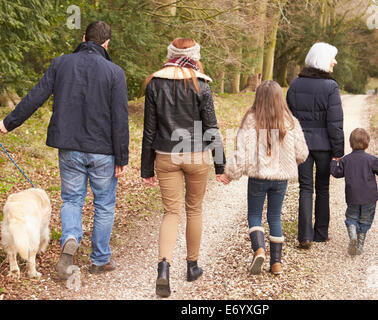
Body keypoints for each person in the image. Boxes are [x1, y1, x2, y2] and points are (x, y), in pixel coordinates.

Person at [0, 21, 129, 278]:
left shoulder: (61, 64)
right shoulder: (115, 72)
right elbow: (120, 117)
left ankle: (70, 237)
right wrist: (122, 156)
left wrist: (7, 124)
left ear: (83, 38)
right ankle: (100, 259)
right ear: (107, 43)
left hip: (69, 148)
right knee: (104, 204)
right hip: (103, 150)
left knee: (72, 200)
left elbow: (36, 96)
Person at [141, 38, 228, 297]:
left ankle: (164, 268)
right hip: (195, 154)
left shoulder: (155, 83)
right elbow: (211, 128)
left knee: (171, 212)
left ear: (170, 54)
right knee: (194, 210)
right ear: (195, 55)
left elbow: (149, 130)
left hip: (166, 155)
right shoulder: (201, 85)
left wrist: (146, 169)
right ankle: (192, 266)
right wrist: (220, 165)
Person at [224, 80, 309, 275]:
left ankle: (259, 249)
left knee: (254, 214)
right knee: (274, 216)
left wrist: (231, 173)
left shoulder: (251, 120)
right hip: (280, 179)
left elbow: (242, 153)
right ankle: (277, 263)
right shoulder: (290, 121)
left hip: (258, 178)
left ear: (258, 98)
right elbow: (302, 152)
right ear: (280, 98)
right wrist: (288, 162)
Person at [286, 42, 344, 249]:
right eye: (332, 58)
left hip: (301, 145)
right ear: (322, 59)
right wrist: (338, 151)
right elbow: (335, 123)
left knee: (305, 188)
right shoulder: (331, 87)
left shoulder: (295, 85)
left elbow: (288, 119)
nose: (335, 62)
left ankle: (305, 236)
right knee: (323, 188)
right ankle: (321, 233)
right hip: (324, 146)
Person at [330, 128, 378, 255]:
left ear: (350, 144)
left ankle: (352, 233)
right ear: (367, 144)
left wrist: (333, 162)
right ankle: (359, 244)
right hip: (369, 197)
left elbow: (336, 173)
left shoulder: (346, 160)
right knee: (365, 220)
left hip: (352, 196)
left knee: (352, 217)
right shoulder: (371, 160)